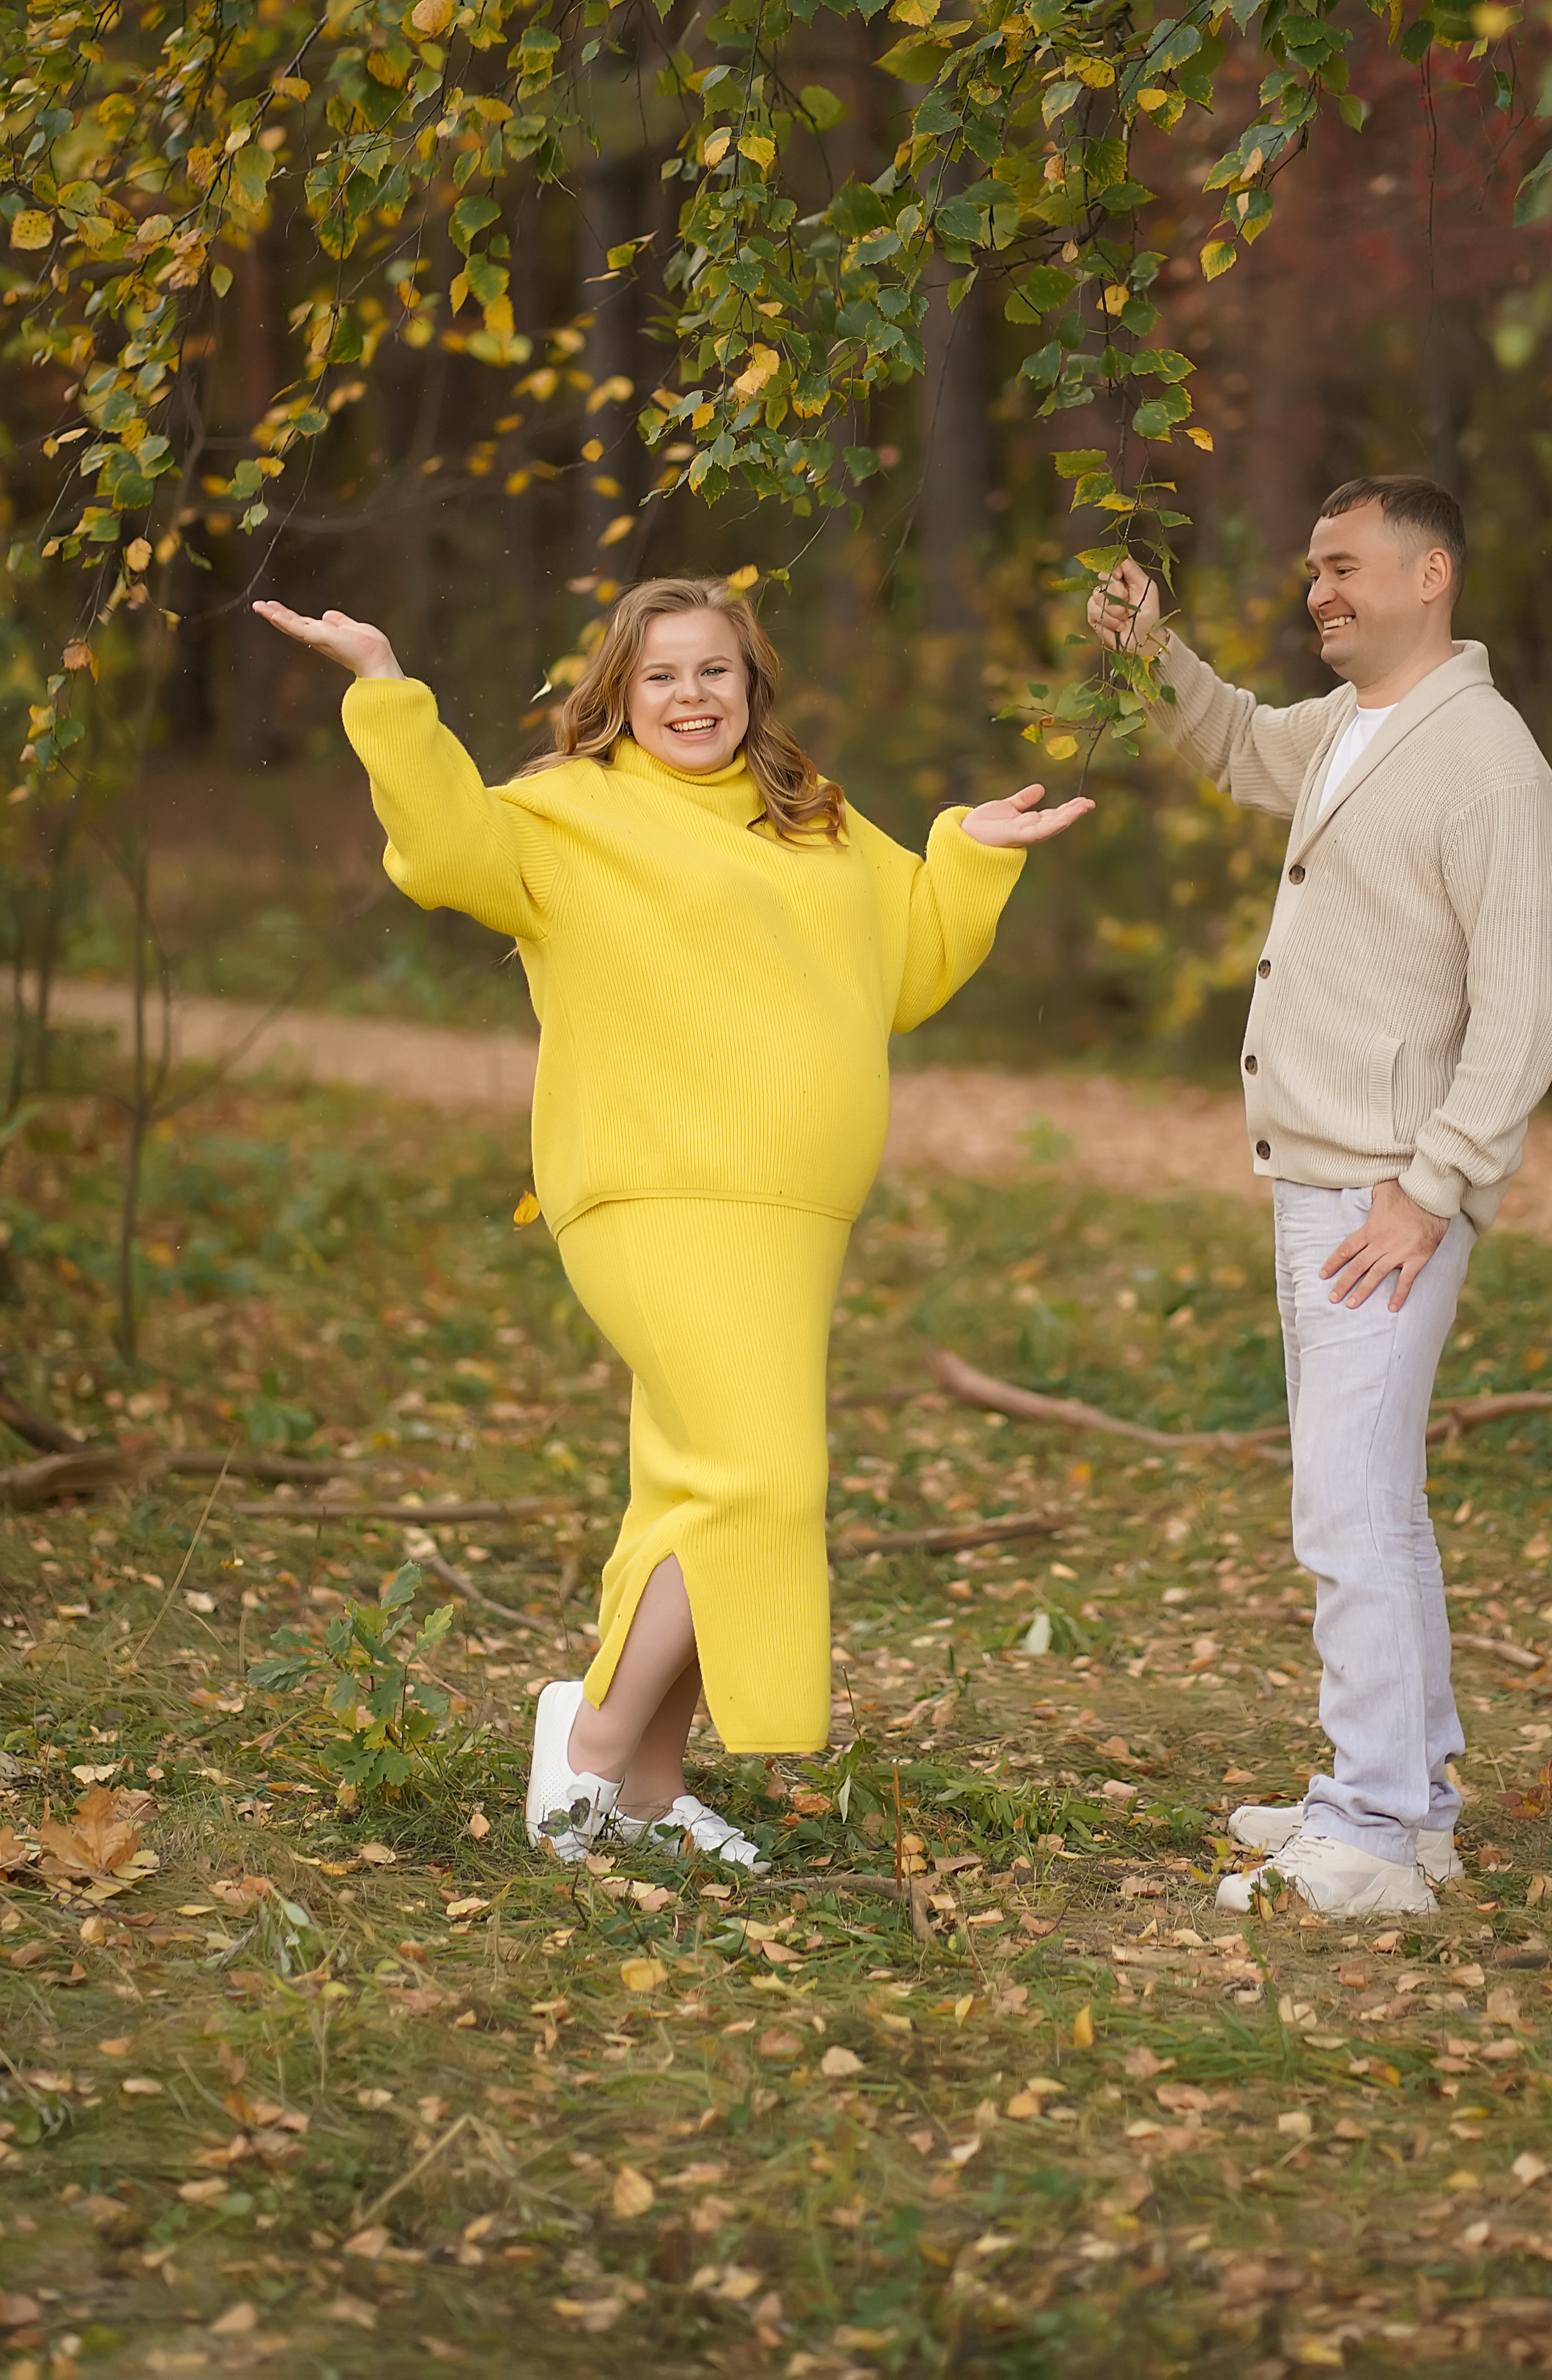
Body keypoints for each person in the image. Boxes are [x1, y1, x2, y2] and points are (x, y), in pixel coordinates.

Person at [256, 576, 1091, 1868]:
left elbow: (906, 971)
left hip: (792, 1212)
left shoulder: (812, 821)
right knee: (764, 1480)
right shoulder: (569, 813)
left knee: (692, 1493)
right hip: (657, 1192)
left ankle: (646, 1799)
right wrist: (385, 689)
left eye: (715, 672)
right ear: (618, 694)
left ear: (752, 686)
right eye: (661, 676)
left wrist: (969, 853)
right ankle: (587, 1745)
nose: (690, 697)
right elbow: (443, 850)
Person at [1089, 478, 1552, 1919]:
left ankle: (1368, 1838)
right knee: (1377, 1504)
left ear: (1432, 574)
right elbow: (1237, 744)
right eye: (1311, 569)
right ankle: (1406, 1798)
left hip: (1385, 1192)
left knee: (1341, 1512)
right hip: (1318, 1174)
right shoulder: (1355, 730)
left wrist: (1430, 1191)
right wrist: (1148, 650)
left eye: (1346, 568)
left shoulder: (1483, 762)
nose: (1319, 591)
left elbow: (1523, 1012)